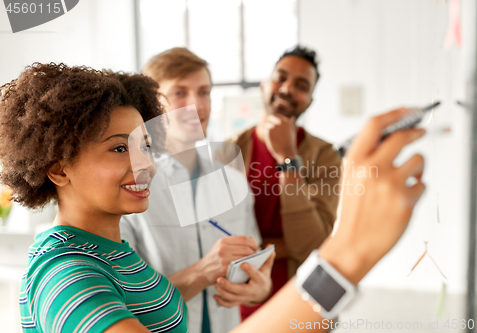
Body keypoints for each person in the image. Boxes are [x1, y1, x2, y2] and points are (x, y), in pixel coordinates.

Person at [3, 63, 425, 333]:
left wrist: (213, 274)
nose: (144, 164)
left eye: (146, 145)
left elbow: (147, 303)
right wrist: (345, 258)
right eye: (119, 148)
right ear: (58, 169)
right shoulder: (66, 275)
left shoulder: (112, 249)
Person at [120, 48, 273, 333]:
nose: (196, 106)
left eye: (204, 92)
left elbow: (254, 270)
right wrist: (201, 273)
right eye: (180, 93)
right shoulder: (129, 186)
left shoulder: (235, 184)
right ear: (151, 104)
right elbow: (123, 301)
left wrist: (260, 288)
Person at [231, 46, 343, 319]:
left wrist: (288, 158)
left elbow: (311, 244)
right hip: (241, 301)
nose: (287, 88)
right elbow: (222, 237)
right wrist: (281, 246)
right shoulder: (230, 149)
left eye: (301, 85)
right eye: (280, 77)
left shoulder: (325, 155)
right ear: (264, 85)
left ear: (309, 101)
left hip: (304, 302)